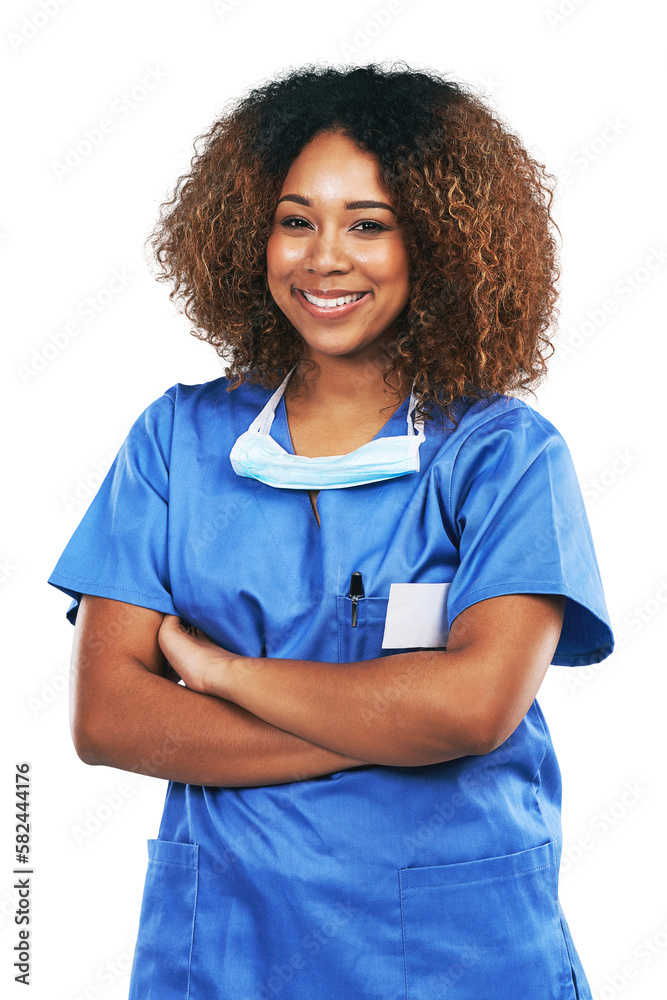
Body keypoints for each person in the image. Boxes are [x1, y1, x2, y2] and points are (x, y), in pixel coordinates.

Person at [47, 62, 614, 999]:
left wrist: (228, 679)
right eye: (295, 219)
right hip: (226, 944)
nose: (324, 258)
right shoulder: (175, 441)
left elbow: (473, 708)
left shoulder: (504, 456)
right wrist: (391, 723)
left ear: (439, 243)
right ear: (249, 236)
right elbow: (109, 719)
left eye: (369, 224)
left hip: (454, 950)